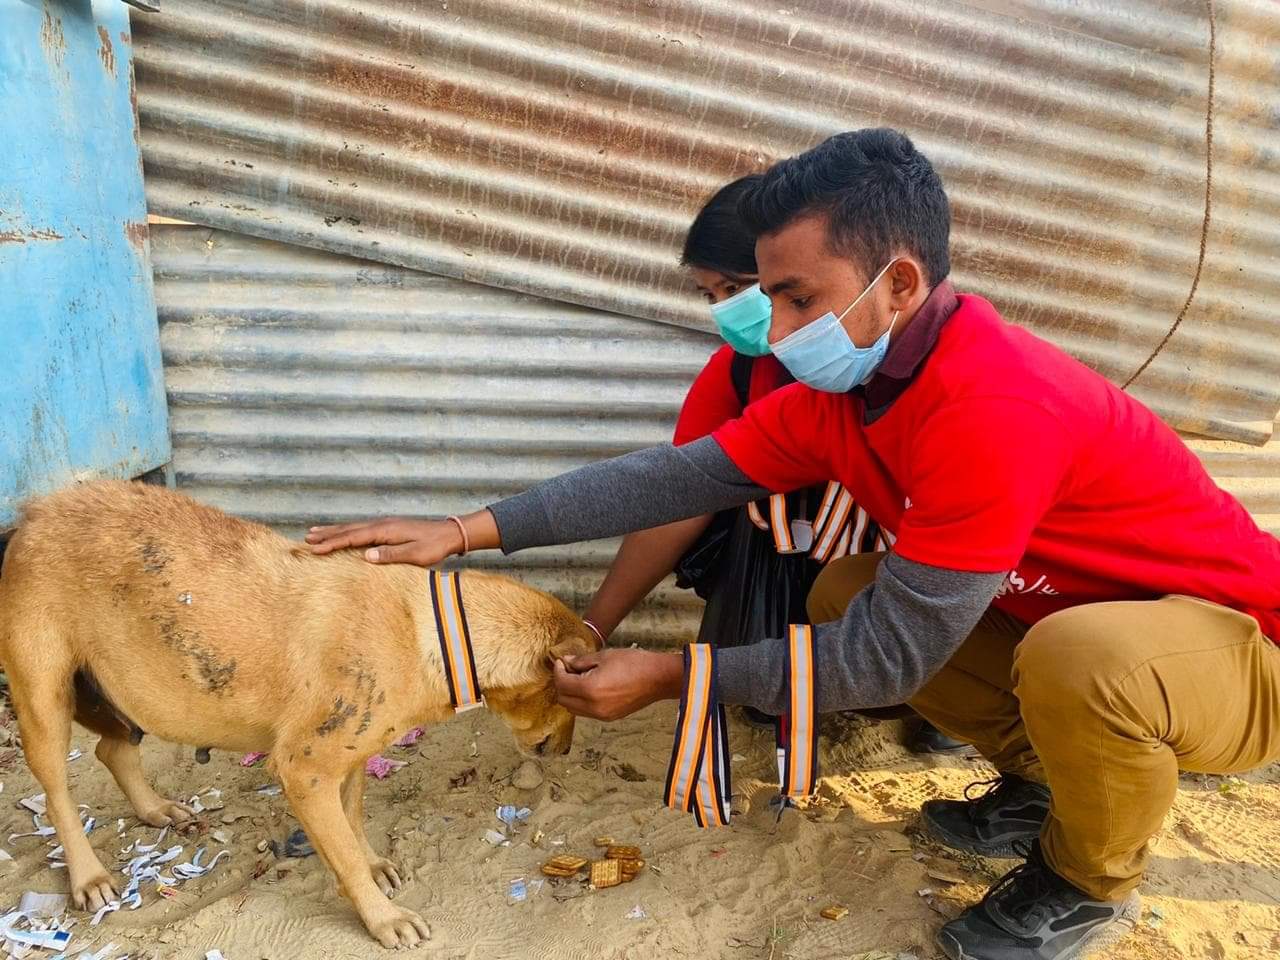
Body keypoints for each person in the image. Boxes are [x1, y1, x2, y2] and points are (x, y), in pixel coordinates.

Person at [307, 128, 1280, 960]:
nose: (773, 329)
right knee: (847, 588)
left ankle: (1085, 881)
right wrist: (466, 528)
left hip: (1239, 653)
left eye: (796, 299)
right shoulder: (848, 397)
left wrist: (675, 677)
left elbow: (886, 660)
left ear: (896, 283)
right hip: (1075, 622)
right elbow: (673, 476)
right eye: (763, 297)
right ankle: (1042, 785)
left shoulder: (991, 404)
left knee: (1082, 661)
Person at [582, 174, 965, 750]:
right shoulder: (740, 370)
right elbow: (675, 494)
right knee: (763, 681)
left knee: (915, 658)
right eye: (711, 296)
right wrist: (592, 628)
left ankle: (951, 703)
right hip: (805, 553)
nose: (728, 313)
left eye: (737, 287)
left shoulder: (921, 376)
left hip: (911, 562)